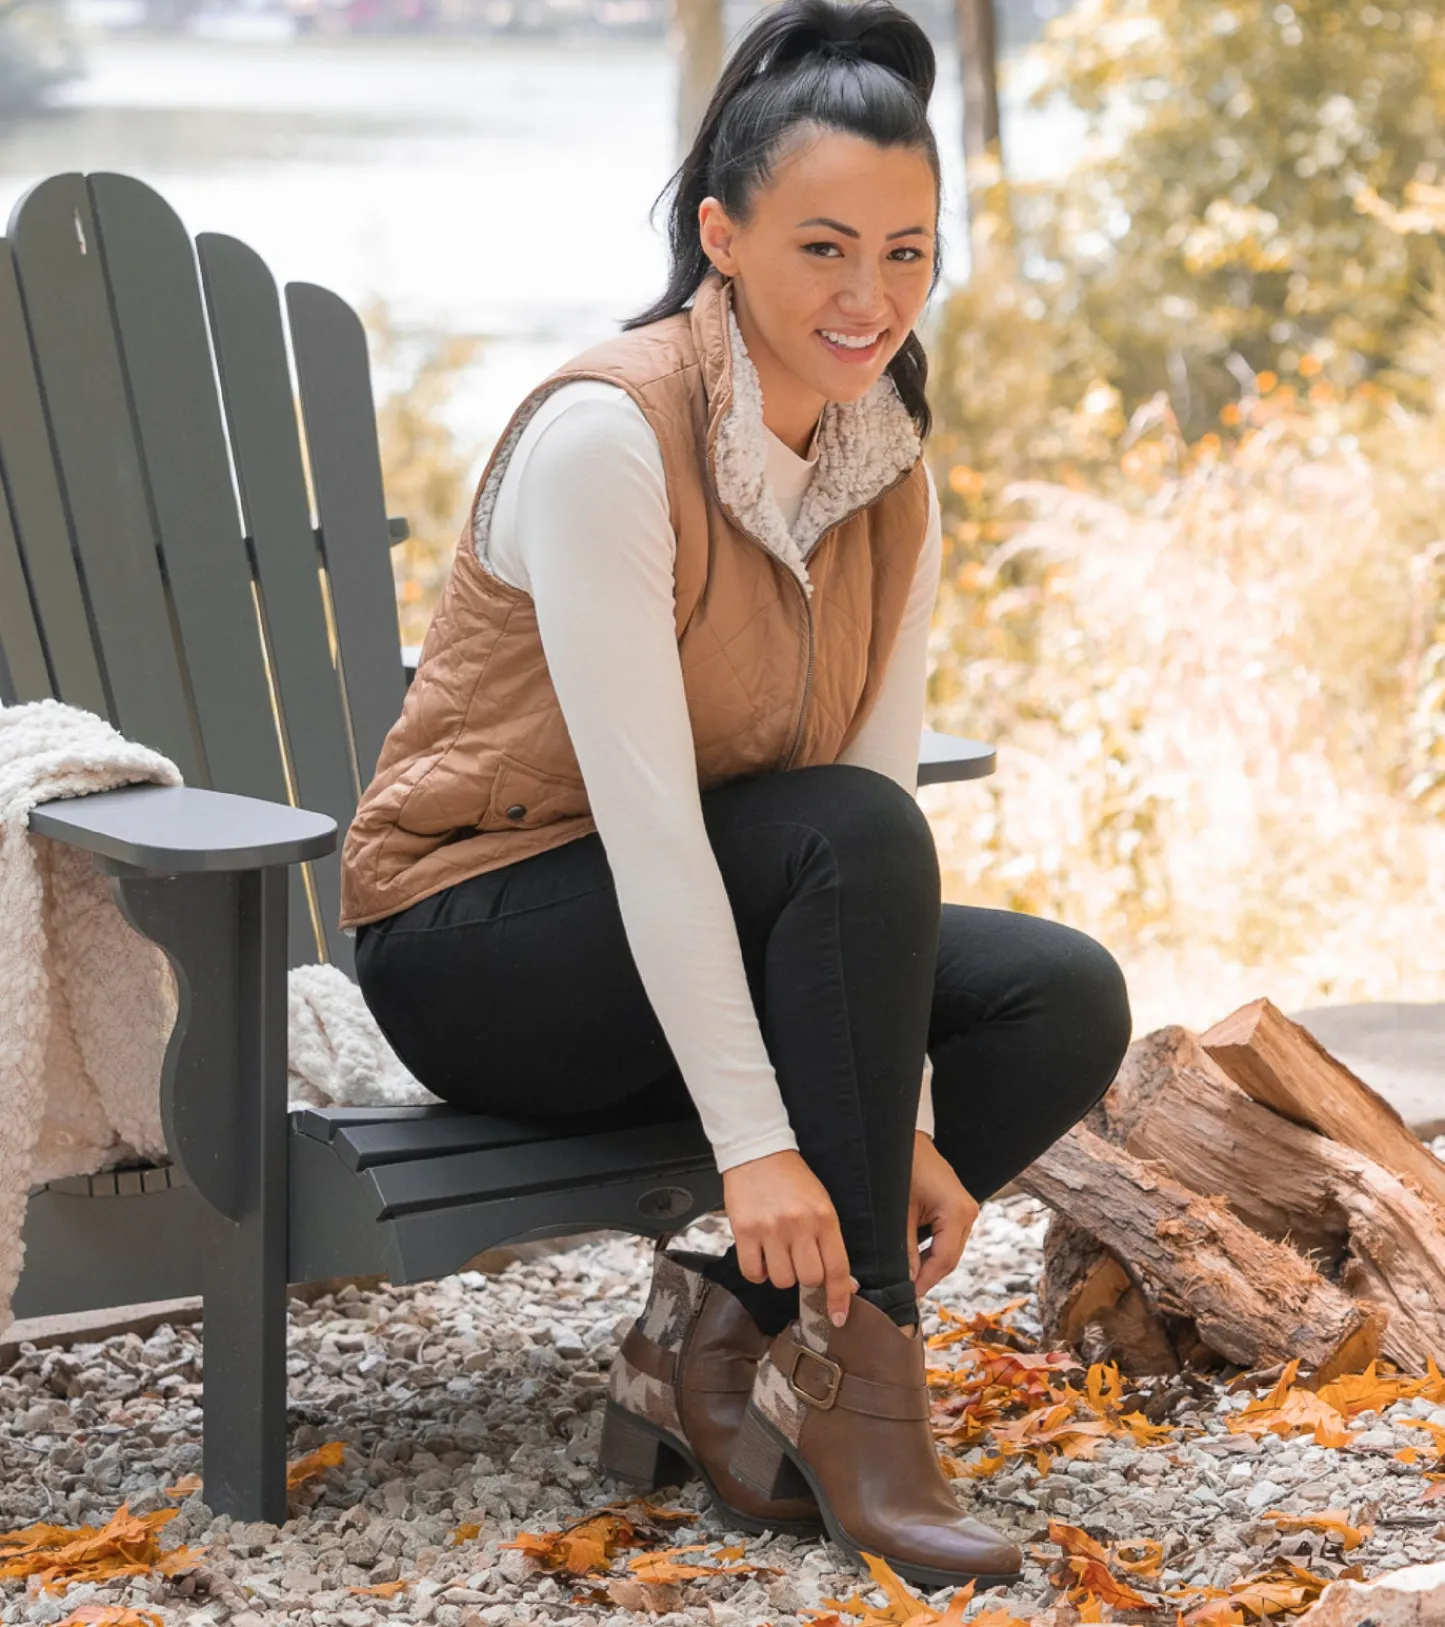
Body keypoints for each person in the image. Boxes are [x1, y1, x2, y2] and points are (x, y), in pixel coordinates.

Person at [339, 0, 1131, 1589]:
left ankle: (725, 1329)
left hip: (718, 905)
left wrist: (899, 1108)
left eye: (909, 254)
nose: (871, 298)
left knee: (1059, 995)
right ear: (722, 233)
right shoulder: (607, 439)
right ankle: (865, 1381)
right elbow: (652, 832)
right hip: (481, 941)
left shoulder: (883, 452)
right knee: (840, 835)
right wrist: (761, 1144)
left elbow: (871, 790)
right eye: (825, 247)